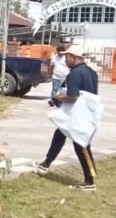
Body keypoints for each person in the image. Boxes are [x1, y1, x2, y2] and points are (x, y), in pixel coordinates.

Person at [34, 44, 100, 191]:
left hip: (78, 116)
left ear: (75, 58)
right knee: (59, 135)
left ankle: (90, 181)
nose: (65, 60)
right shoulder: (92, 73)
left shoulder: (75, 74)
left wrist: (58, 98)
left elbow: (73, 96)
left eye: (67, 57)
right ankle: (45, 164)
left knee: (82, 147)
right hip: (85, 113)